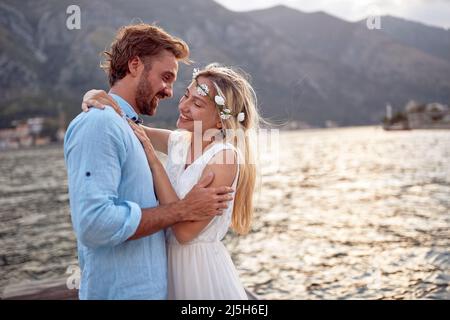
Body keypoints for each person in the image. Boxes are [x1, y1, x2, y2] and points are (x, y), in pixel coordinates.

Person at [64, 23, 234, 300]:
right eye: (166, 77)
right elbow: (93, 224)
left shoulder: (129, 127)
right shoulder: (100, 123)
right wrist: (181, 210)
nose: (170, 93)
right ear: (134, 65)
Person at [82, 63, 261, 299]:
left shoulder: (224, 157)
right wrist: (95, 97)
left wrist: (156, 165)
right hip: (164, 267)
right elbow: (131, 127)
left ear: (220, 121)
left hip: (198, 272)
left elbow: (185, 232)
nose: (184, 106)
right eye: (186, 95)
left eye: (197, 104)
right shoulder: (180, 142)